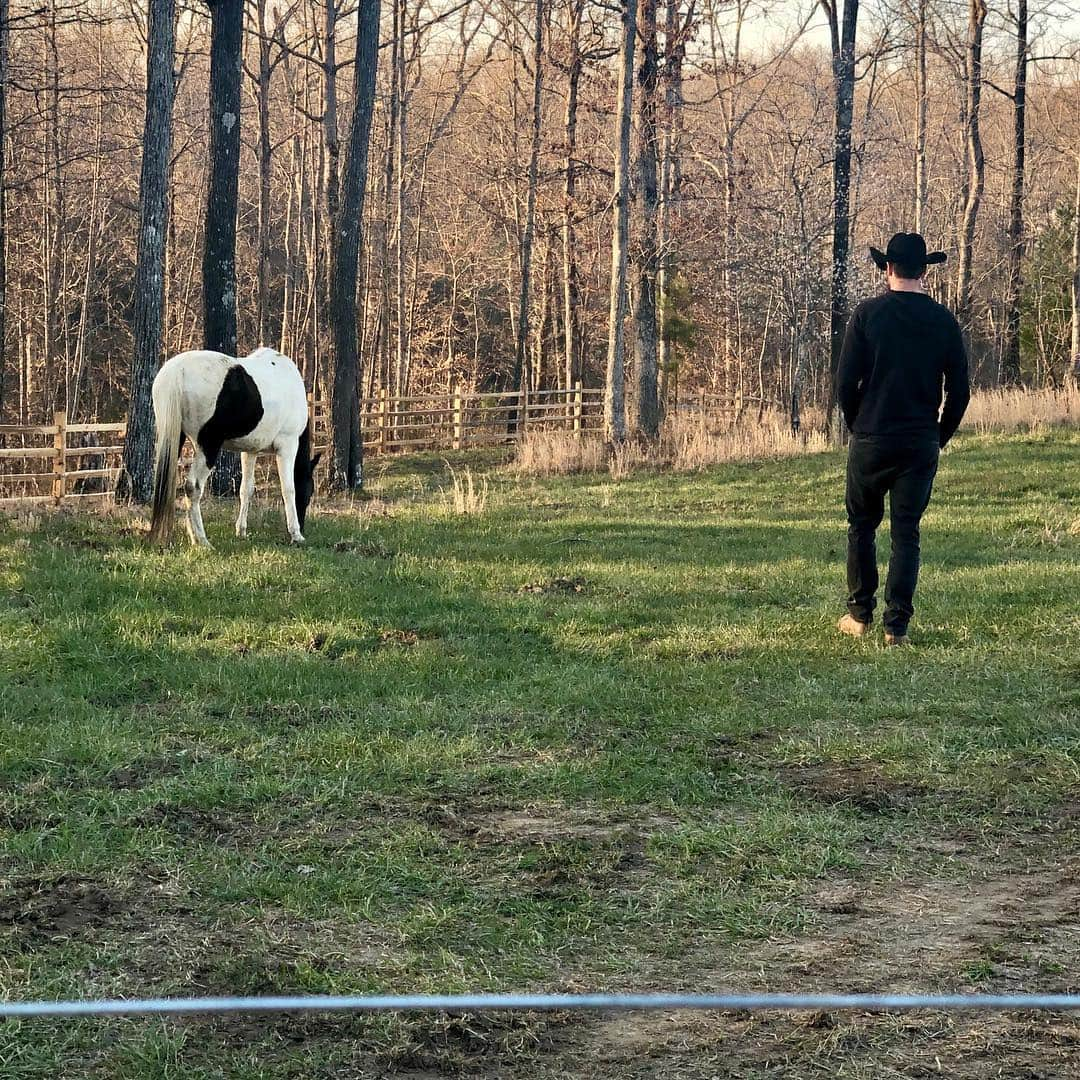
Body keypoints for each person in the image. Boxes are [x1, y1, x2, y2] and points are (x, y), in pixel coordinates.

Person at [836, 232, 970, 646]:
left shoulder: (867, 315)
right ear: (924, 271)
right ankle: (896, 627)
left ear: (887, 268)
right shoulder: (944, 320)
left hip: (872, 437)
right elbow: (960, 391)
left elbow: (845, 384)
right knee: (906, 532)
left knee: (862, 527)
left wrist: (859, 424)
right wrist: (938, 435)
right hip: (918, 442)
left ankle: (859, 616)